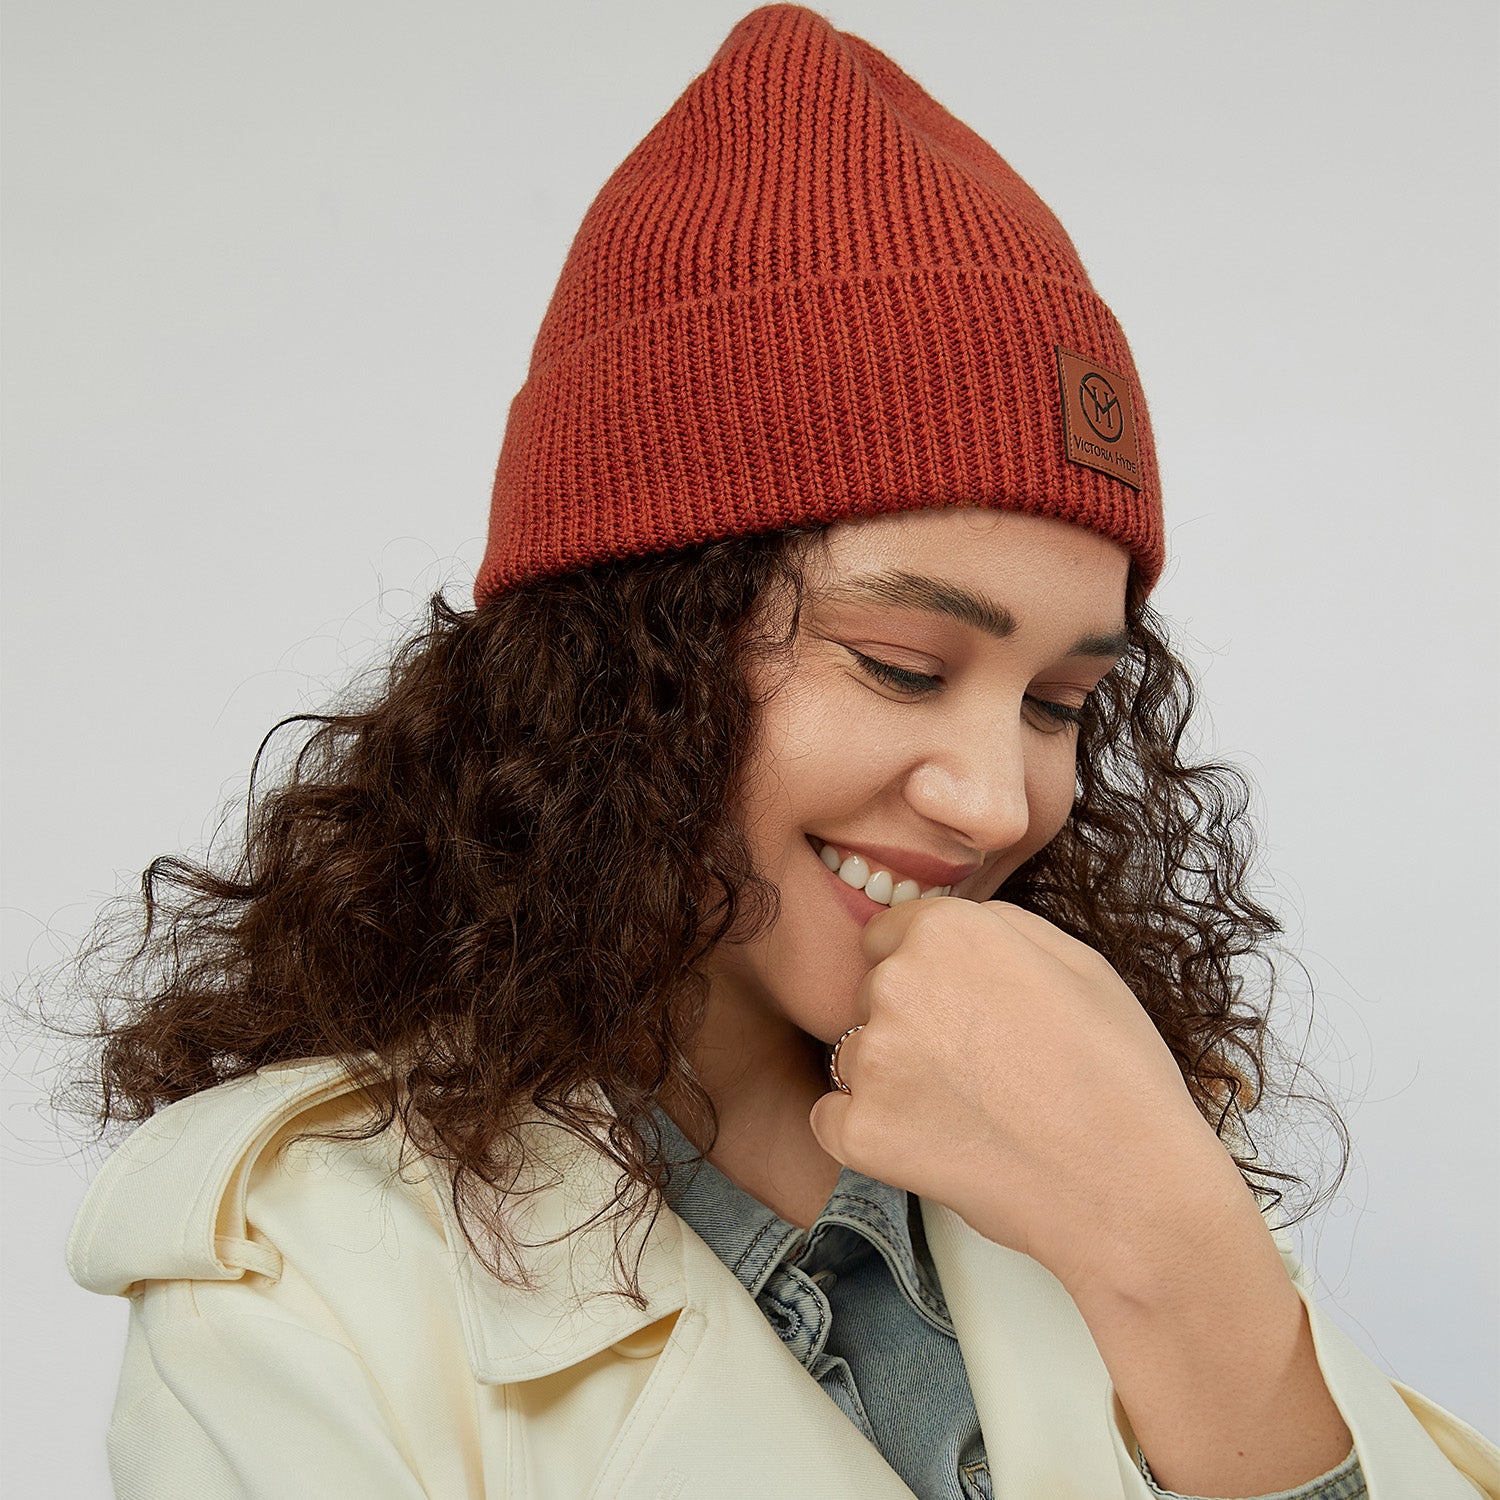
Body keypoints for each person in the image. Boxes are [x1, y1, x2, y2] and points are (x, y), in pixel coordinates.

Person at [58, 5, 1499, 1498]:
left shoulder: (1106, 1129)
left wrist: (1180, 1262)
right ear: (626, 662)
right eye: (899, 666)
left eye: (1059, 703)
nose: (997, 798)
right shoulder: (295, 1279)